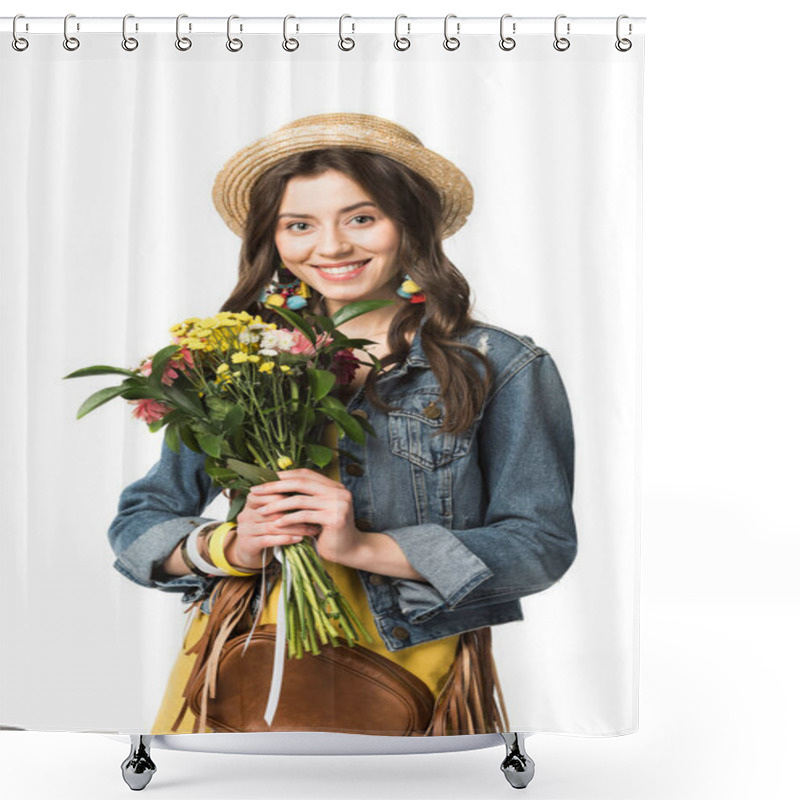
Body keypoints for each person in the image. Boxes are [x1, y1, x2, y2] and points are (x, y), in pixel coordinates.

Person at [107, 112, 578, 736]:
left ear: (410, 223)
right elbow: (140, 521)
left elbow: (540, 546)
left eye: (361, 217)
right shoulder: (232, 361)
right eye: (299, 225)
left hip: (411, 664)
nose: (330, 247)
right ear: (272, 239)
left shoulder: (501, 366)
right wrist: (232, 546)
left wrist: (365, 548)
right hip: (242, 665)